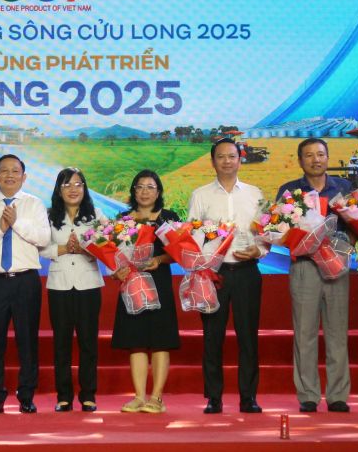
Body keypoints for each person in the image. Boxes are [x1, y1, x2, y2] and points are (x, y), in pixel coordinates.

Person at [187, 138, 264, 414]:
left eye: (232, 156)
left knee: (248, 337)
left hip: (247, 271)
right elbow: (192, 234)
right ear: (213, 162)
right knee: (212, 336)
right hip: (214, 274)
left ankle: (248, 397)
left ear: (240, 159)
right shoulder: (200, 195)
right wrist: (209, 245)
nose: (227, 161)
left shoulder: (254, 193)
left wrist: (259, 250)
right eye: (221, 156)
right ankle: (214, 398)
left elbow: (265, 232)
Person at [276, 138, 353, 413]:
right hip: (305, 265)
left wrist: (347, 244)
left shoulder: (344, 188)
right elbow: (279, 230)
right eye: (309, 155)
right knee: (304, 332)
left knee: (337, 331)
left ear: (327, 157)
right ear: (300, 161)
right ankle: (308, 394)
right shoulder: (289, 191)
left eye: (320, 154)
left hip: (336, 264)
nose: (315, 159)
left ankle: (338, 395)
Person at [0, 154, 51, 414]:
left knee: (27, 340)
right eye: (4, 171)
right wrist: (1, 228)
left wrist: (17, 222)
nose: (9, 175)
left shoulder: (34, 204)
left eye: (15, 171)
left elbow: (43, 238)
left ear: (24, 176)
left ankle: (26, 395)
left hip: (25, 280)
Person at [113, 169, 180, 414]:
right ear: (133, 191)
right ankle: (139, 396)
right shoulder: (123, 219)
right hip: (132, 283)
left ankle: (157, 397)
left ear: (158, 191)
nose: (144, 192)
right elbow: (114, 254)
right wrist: (117, 271)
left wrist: (159, 259)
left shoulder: (169, 218)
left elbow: (179, 252)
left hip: (158, 282)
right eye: (140, 187)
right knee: (136, 341)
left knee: (160, 341)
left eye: (150, 187)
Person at [42, 167, 104, 412]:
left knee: (88, 342)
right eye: (67, 184)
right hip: (59, 286)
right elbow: (41, 248)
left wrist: (85, 249)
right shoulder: (48, 216)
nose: (73, 189)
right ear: (59, 190)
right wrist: (64, 249)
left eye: (78, 184)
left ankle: (88, 395)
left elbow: (107, 247)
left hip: (89, 285)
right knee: (62, 343)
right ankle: (64, 396)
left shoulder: (96, 215)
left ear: (85, 188)